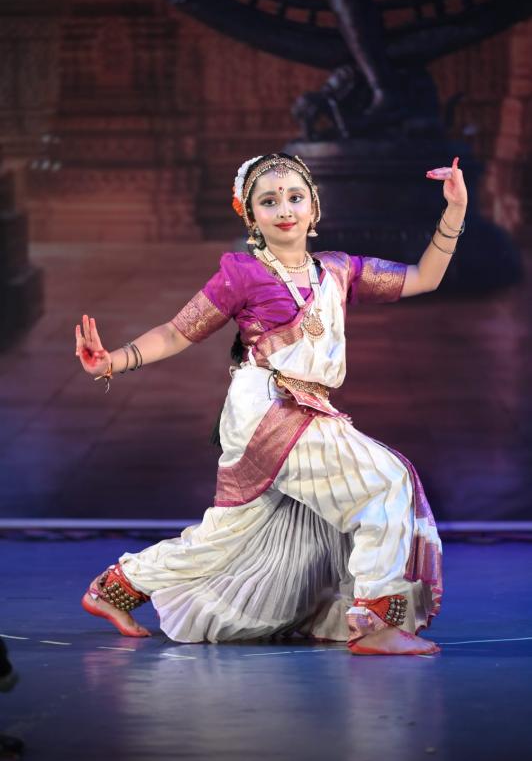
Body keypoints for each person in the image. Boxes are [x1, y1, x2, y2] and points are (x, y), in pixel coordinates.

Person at [76, 152, 467, 655]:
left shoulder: (338, 271)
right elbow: (177, 332)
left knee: (231, 535)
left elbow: (423, 277)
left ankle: (113, 588)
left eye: (295, 197)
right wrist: (112, 360)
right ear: (251, 216)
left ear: (314, 207)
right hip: (268, 406)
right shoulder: (242, 274)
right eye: (269, 200)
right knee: (384, 482)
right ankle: (376, 623)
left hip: (309, 407)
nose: (285, 208)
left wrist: (453, 213)